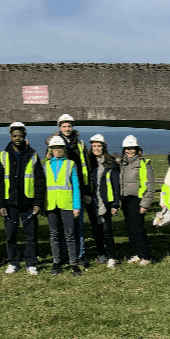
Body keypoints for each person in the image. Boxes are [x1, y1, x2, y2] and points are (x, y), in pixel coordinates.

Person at [0, 122, 46, 275]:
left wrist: (37, 203)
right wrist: (1, 204)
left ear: (25, 137)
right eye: (15, 136)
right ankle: (13, 262)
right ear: (10, 136)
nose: (17, 138)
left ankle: (31, 263)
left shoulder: (33, 156)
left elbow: (39, 181)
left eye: (20, 136)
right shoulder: (3, 156)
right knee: (11, 235)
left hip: (29, 203)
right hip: (10, 204)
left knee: (31, 236)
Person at [45, 114, 94, 266]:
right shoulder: (53, 143)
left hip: (75, 190)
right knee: (60, 230)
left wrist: (87, 191)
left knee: (76, 227)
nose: (67, 129)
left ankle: (78, 256)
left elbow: (87, 167)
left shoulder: (79, 144)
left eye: (69, 126)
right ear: (59, 127)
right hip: (58, 196)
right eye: (64, 126)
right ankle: (64, 256)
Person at [44, 136, 82, 276]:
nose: (57, 150)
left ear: (63, 149)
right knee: (54, 234)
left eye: (59, 148)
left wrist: (76, 206)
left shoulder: (70, 164)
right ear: (51, 150)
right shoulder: (46, 165)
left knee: (70, 235)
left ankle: (73, 263)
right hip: (51, 204)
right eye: (55, 148)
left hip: (67, 204)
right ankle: (56, 262)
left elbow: (76, 187)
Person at [118, 135, 154, 266]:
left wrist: (145, 204)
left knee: (138, 229)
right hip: (126, 199)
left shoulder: (144, 164)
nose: (129, 151)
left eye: (132, 148)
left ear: (137, 149)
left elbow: (149, 186)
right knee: (130, 228)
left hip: (137, 200)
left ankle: (146, 255)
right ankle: (137, 253)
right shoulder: (123, 163)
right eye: (127, 149)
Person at [88, 134, 121, 268]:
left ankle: (112, 257)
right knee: (96, 230)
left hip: (106, 202)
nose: (96, 148)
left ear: (103, 147)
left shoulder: (111, 164)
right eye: (94, 146)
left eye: (99, 146)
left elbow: (116, 185)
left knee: (107, 230)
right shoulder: (89, 163)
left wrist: (115, 203)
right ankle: (101, 254)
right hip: (92, 202)